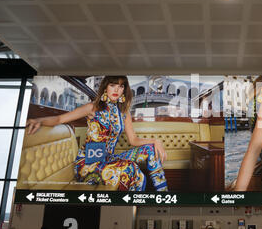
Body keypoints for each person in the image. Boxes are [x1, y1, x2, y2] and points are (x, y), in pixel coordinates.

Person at [26, 76, 168, 191]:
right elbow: (60, 118)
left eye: (120, 86)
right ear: (105, 87)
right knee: (131, 169)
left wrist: (155, 141)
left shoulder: (124, 113)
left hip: (109, 158)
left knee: (150, 150)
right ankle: (126, 210)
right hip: (88, 164)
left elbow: (133, 140)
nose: (116, 90)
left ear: (124, 90)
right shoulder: (92, 107)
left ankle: (164, 196)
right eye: (113, 85)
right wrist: (39, 120)